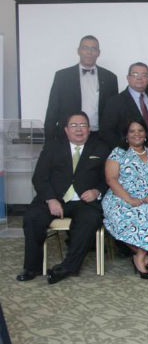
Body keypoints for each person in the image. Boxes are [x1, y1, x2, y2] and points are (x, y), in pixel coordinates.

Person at [17, 112, 109, 284]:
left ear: (89, 129)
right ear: (66, 130)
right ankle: (32, 267)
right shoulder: (53, 147)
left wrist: (97, 191)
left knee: (91, 218)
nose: (79, 129)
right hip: (55, 199)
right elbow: (39, 177)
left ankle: (67, 267)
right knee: (32, 217)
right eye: (74, 125)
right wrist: (50, 199)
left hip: (84, 201)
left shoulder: (101, 148)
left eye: (83, 125)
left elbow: (109, 178)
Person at [102, 120, 148, 279]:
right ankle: (142, 255)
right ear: (126, 135)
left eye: (140, 130)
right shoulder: (118, 152)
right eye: (132, 131)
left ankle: (139, 257)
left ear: (146, 134)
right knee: (121, 214)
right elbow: (111, 179)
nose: (136, 134)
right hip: (120, 196)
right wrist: (129, 199)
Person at [44, 35, 118, 141]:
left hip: (99, 137)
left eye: (93, 49)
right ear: (78, 51)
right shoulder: (62, 76)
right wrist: (49, 141)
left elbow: (113, 113)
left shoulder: (110, 78)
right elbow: (52, 110)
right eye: (85, 48)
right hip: (68, 137)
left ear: (98, 53)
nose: (89, 52)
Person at [100, 62, 148, 149]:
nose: (139, 78)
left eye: (144, 75)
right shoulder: (115, 101)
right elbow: (106, 132)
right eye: (135, 74)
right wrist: (125, 151)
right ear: (128, 78)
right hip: (129, 157)